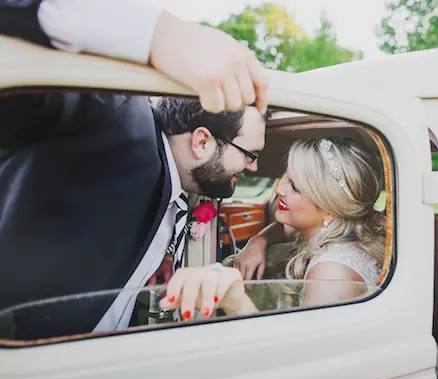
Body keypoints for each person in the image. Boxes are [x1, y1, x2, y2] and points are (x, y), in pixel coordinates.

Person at [0, 0, 270, 339]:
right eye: (249, 153)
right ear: (202, 142)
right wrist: (160, 34)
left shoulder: (182, 194)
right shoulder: (113, 117)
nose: (254, 166)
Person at [159, 137, 386, 319]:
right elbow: (281, 229)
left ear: (329, 207)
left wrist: (236, 303)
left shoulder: (332, 274)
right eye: (284, 178)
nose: (279, 190)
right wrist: (258, 241)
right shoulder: (325, 229)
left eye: (294, 187)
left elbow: (299, 364)